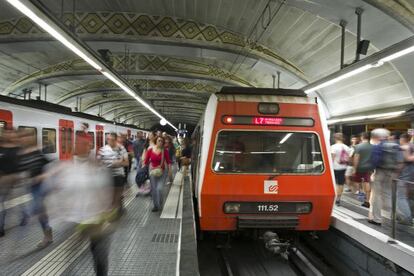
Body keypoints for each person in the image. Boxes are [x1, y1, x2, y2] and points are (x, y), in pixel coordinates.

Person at [18, 129, 52, 248]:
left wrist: (42, 176)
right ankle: (48, 234)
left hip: (42, 185)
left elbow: (48, 168)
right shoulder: (22, 153)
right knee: (41, 212)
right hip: (32, 186)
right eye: (22, 137)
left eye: (26, 136)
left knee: (36, 209)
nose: (24, 139)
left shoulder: (38, 151)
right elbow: (22, 170)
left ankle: (46, 236)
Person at [368, 128, 401, 226]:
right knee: (388, 194)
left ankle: (377, 219)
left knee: (376, 196)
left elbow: (374, 161)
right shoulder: (396, 145)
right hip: (392, 172)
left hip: (380, 172)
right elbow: (400, 159)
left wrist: (372, 171)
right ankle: (398, 213)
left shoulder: (378, 147)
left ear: (377, 137)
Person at [98, 133, 129, 215]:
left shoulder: (121, 149)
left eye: (111, 139)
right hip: (107, 175)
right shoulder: (103, 149)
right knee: (109, 196)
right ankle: (114, 210)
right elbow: (98, 162)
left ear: (115, 140)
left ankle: (117, 210)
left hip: (118, 175)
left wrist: (117, 163)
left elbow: (126, 163)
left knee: (117, 195)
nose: (109, 141)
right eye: (108, 139)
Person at [0, 129, 20, 237]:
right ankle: (25, 214)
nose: (7, 135)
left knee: (2, 203)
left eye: (10, 133)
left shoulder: (17, 149)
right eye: (5, 133)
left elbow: (18, 165)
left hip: (9, 180)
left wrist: (13, 177)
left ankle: (1, 228)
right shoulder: (1, 147)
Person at [144, 136, 172, 212]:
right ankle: (155, 206)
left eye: (162, 141)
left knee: (159, 188)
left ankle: (160, 203)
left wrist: (170, 171)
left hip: (162, 171)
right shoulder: (150, 150)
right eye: (159, 140)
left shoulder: (164, 151)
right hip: (152, 172)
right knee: (154, 189)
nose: (160, 142)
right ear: (156, 141)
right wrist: (145, 166)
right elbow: (146, 161)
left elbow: (169, 161)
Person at [396, 133, 414, 225]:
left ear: (402, 139)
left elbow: (400, 164)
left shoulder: (403, 148)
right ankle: (410, 215)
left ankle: (406, 218)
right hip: (411, 178)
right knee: (410, 197)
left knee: (401, 197)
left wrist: (396, 175)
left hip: (404, 177)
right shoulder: (412, 146)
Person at [353, 132, 374, 208]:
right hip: (369, 168)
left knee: (357, 181)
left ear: (362, 137)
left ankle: (360, 193)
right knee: (367, 182)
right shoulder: (373, 147)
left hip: (359, 167)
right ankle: (367, 201)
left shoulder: (358, 147)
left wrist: (354, 169)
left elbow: (356, 158)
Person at [331, 133, 350, 206]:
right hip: (343, 167)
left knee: (334, 184)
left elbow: (332, 158)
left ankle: (334, 197)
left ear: (335, 138)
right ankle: (338, 199)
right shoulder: (346, 147)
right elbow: (348, 159)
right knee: (341, 184)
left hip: (334, 167)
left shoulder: (333, 147)